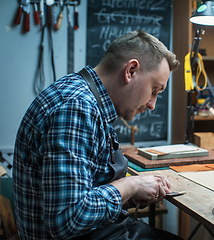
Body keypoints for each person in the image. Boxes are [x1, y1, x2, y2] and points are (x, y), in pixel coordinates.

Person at [13, 30, 180, 240]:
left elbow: (90, 186)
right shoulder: (76, 108)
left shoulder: (87, 99)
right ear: (131, 70)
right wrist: (131, 185)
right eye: (155, 89)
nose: (152, 104)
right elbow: (68, 218)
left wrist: (134, 194)